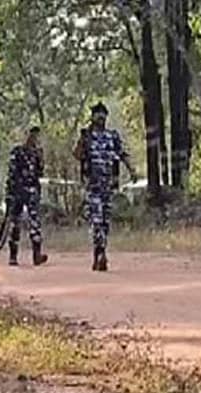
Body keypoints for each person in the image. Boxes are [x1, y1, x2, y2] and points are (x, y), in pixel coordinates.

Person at [73, 102, 137, 271]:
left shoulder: (112, 136)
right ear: (92, 117)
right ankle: (100, 253)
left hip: (108, 186)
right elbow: (77, 155)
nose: (101, 117)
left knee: (105, 222)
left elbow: (123, 154)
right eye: (97, 114)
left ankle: (99, 254)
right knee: (96, 220)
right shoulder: (87, 137)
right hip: (92, 186)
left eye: (103, 114)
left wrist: (132, 170)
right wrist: (82, 140)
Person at [5, 126, 48, 266]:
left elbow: (40, 172)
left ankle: (37, 254)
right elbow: (11, 173)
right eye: (31, 135)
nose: (33, 138)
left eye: (36, 136)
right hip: (18, 191)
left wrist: (41, 159)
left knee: (35, 223)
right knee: (15, 223)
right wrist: (10, 192)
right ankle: (13, 256)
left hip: (32, 190)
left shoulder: (37, 153)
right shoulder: (17, 151)